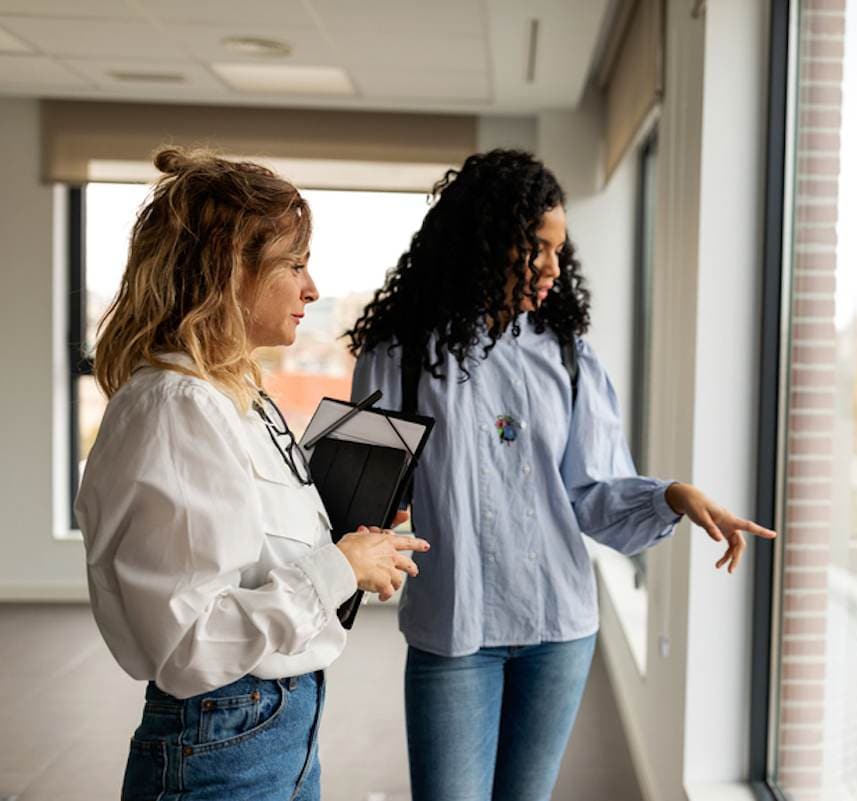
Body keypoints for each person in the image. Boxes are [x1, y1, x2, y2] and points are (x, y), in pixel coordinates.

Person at [348, 149, 776, 801]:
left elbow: (593, 495)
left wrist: (672, 495)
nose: (553, 267)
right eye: (535, 249)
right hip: (454, 625)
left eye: (558, 250)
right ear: (485, 242)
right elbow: (359, 499)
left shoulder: (567, 355)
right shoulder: (398, 358)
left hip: (558, 627)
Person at [76, 148, 428, 801]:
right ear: (229, 268)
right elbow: (186, 641)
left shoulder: (231, 394)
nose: (313, 288)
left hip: (272, 726)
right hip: (226, 737)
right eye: (295, 264)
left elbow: (253, 546)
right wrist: (337, 570)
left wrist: (354, 543)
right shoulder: (178, 407)